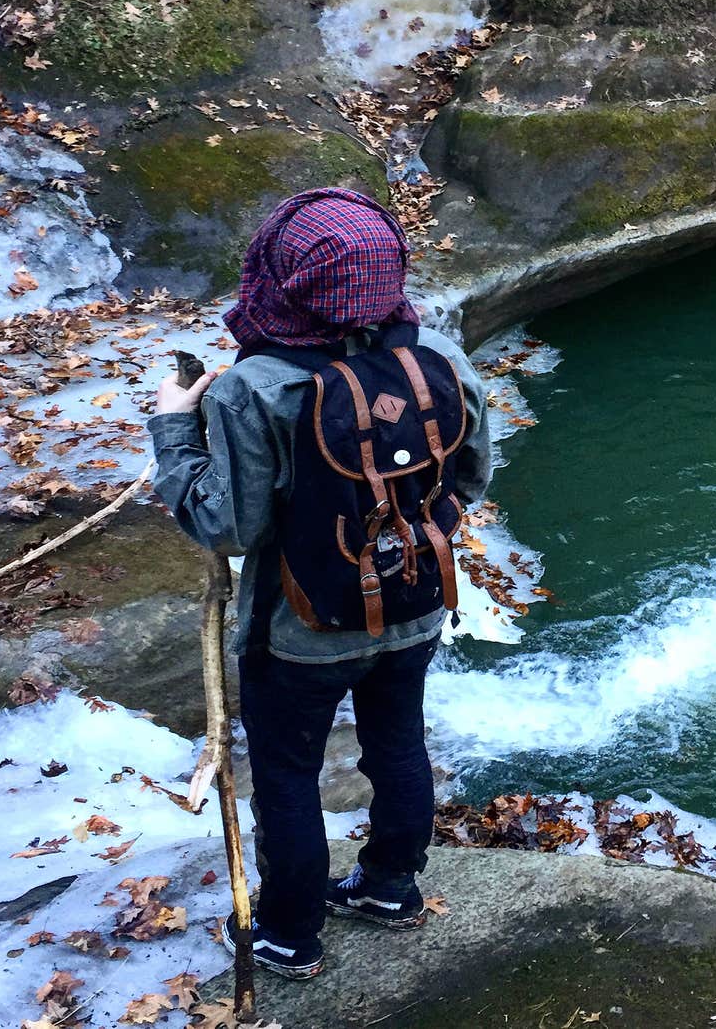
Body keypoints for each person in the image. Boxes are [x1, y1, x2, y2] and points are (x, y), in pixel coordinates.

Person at [148, 186, 492, 980]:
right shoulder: (440, 357)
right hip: (412, 606)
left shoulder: (255, 386)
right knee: (399, 742)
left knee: (288, 777)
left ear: (286, 275)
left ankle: (290, 936)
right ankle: (389, 887)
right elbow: (470, 478)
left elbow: (227, 527)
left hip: (299, 632)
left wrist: (173, 424)